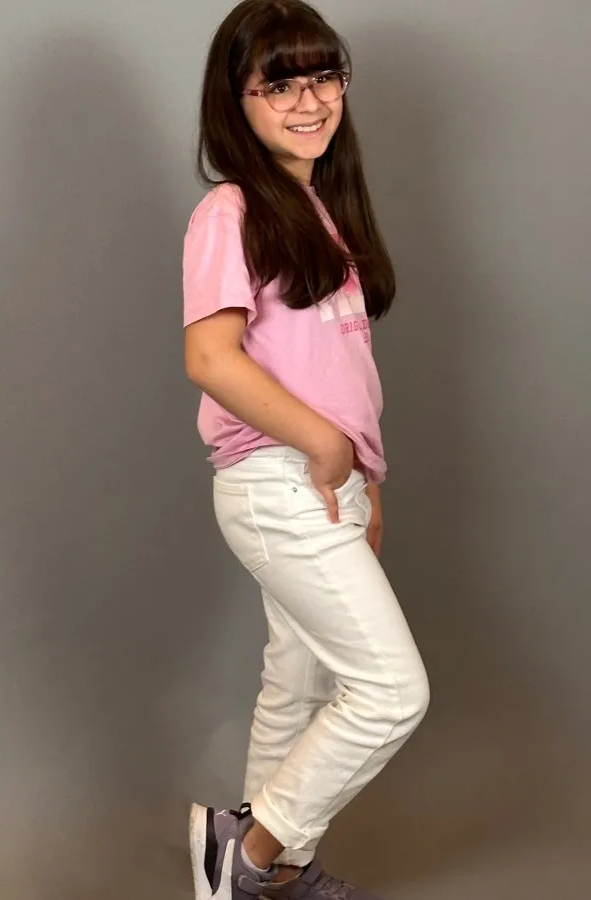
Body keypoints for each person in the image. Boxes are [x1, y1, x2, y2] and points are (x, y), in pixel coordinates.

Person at [183, 1, 430, 898]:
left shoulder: (320, 209)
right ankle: (249, 854)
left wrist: (366, 476)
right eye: (279, 85)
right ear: (236, 99)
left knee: (300, 682)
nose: (310, 101)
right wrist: (325, 444)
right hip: (278, 477)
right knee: (391, 692)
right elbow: (210, 358)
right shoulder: (231, 209)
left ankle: (275, 877)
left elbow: (340, 371)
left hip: (327, 482)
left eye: (325, 77)